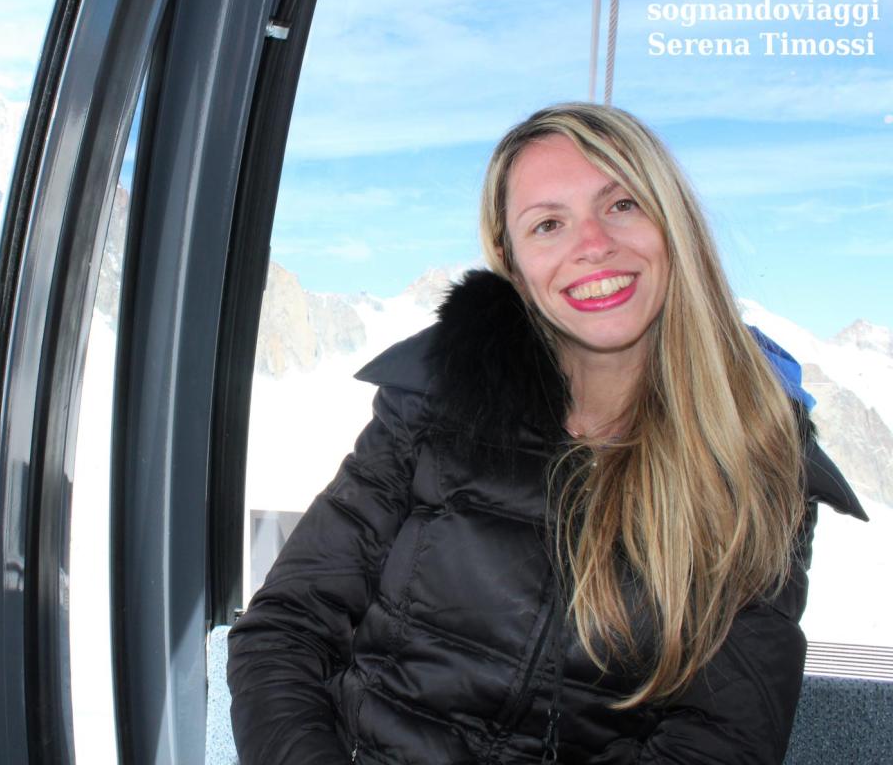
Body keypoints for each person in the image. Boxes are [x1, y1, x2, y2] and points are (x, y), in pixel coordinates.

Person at [227, 103, 867, 764]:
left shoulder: (752, 455)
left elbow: (718, 741)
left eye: (622, 205)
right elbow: (284, 630)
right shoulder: (435, 402)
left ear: (673, 225)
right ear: (513, 262)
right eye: (549, 224)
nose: (593, 244)